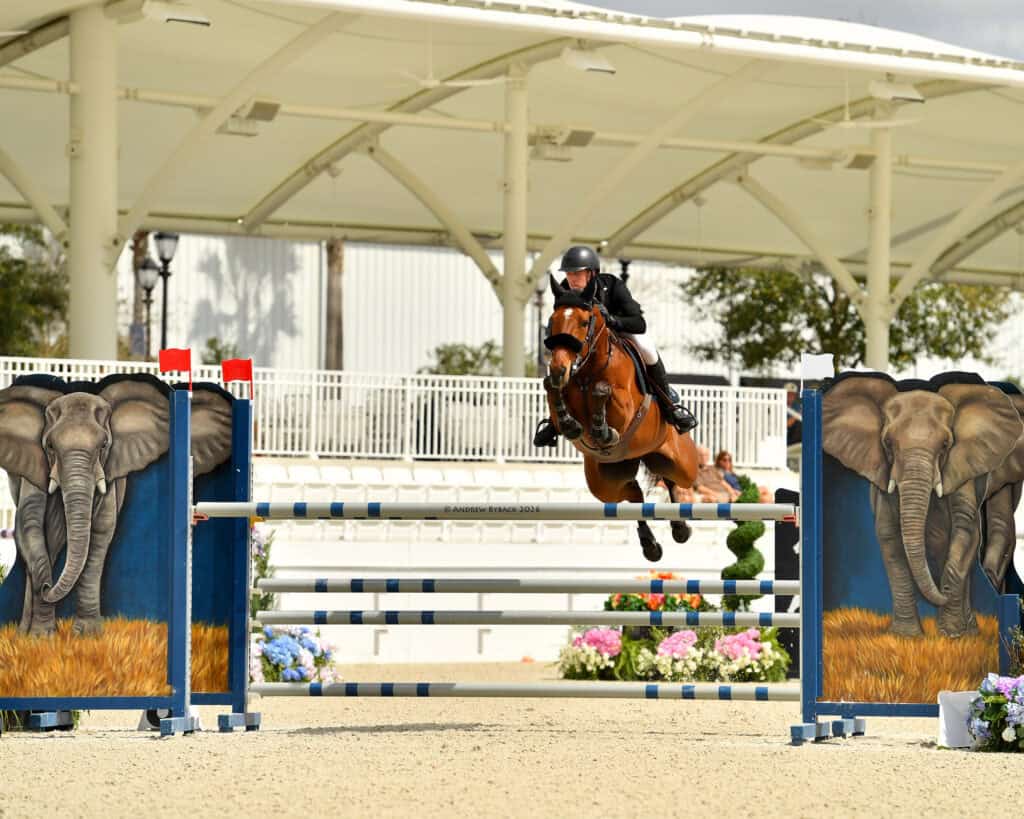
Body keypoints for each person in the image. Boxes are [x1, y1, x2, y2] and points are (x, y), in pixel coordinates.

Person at [534, 245, 698, 447]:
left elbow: (639, 322)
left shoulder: (612, 285)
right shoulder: (565, 289)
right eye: (569, 273)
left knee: (647, 348)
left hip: (619, 333)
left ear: (592, 272)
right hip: (586, 342)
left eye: (577, 273)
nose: (571, 278)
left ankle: (670, 406)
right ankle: (554, 421)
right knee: (562, 363)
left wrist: (611, 320)